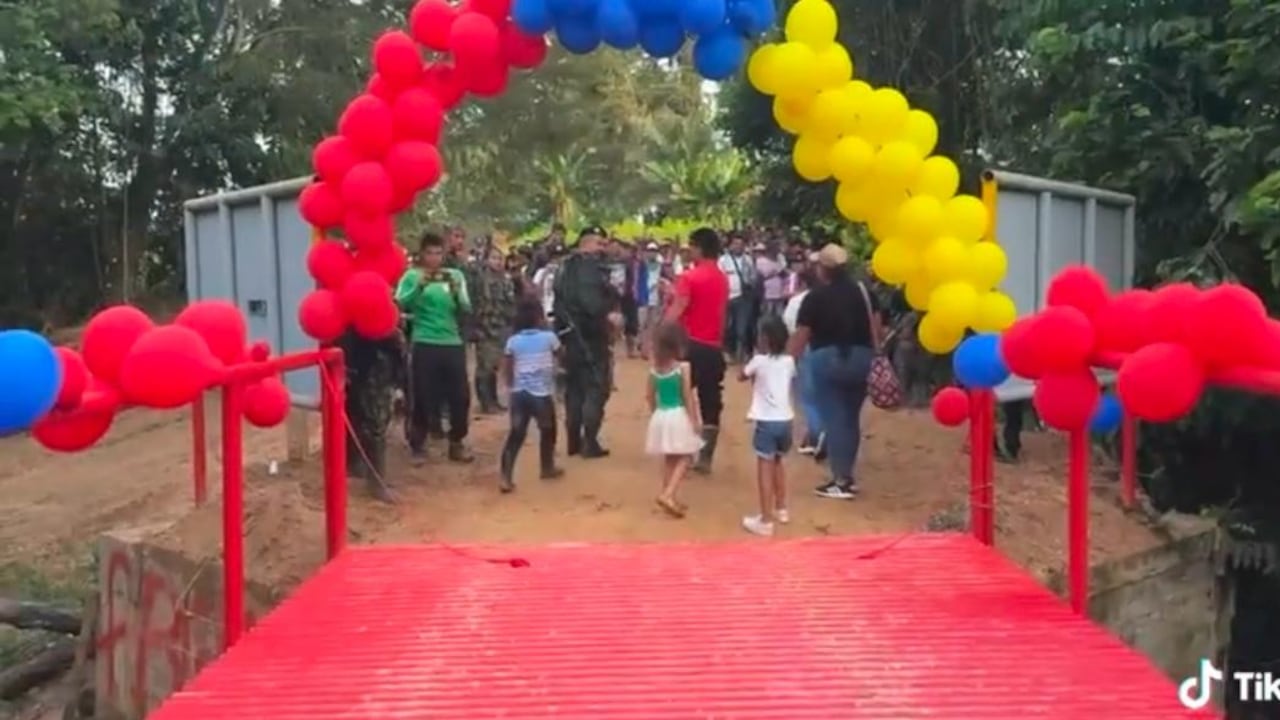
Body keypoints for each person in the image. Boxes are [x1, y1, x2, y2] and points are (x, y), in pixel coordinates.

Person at [788, 243, 882, 499]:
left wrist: (785, 362)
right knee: (850, 419)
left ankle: (842, 480)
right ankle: (846, 475)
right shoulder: (864, 292)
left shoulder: (816, 297)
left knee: (836, 419)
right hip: (862, 358)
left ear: (824, 269)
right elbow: (877, 328)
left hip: (827, 359)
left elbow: (802, 335)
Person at [395, 232, 474, 464]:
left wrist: (457, 291)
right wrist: (419, 287)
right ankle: (418, 445)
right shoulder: (411, 276)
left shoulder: (455, 275)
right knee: (422, 395)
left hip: (452, 342)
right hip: (424, 341)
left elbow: (466, 307)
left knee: (460, 396)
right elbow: (400, 303)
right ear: (422, 254)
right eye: (429, 253)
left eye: (438, 253)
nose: (434, 258)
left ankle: (457, 442)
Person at [665, 227, 729, 475]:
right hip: (712, 345)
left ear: (699, 248)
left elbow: (678, 308)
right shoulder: (722, 278)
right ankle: (706, 456)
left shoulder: (689, 278)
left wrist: (660, 334)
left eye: (691, 246)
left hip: (688, 344)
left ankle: (682, 451)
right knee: (711, 401)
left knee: (677, 398)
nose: (688, 251)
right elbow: (722, 314)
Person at [553, 225, 617, 458]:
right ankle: (589, 442)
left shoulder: (564, 267)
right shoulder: (589, 267)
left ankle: (573, 439)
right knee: (596, 389)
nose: (603, 249)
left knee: (575, 389)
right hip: (590, 337)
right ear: (587, 244)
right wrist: (608, 311)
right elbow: (592, 304)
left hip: (568, 337)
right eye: (599, 243)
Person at [498, 299, 565, 493]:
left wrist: (511, 386)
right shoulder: (549, 338)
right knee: (548, 430)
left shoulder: (513, 341)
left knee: (516, 435)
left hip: (519, 394)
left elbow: (508, 367)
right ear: (539, 318)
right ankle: (547, 466)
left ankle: (505, 477)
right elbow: (561, 355)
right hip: (541, 394)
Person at [739, 316, 795, 536]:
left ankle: (765, 519)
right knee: (779, 462)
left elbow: (741, 376)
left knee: (764, 467)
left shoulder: (758, 361)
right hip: (786, 420)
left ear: (764, 338)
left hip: (766, 421)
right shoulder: (789, 361)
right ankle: (781, 508)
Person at [645, 322, 704, 518]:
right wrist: (694, 420)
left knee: (670, 457)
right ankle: (668, 494)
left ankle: (668, 493)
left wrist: (656, 413)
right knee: (686, 455)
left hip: (661, 414)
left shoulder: (654, 370)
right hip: (678, 413)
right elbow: (687, 395)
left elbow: (649, 395)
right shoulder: (683, 367)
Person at [338, 328, 401, 504]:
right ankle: (376, 483)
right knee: (374, 425)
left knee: (357, 419)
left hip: (357, 364)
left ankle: (357, 467)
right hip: (370, 366)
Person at [783, 266, 823, 454]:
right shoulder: (828, 298)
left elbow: (790, 327)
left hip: (806, 347)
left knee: (808, 397)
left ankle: (816, 436)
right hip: (829, 348)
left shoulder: (797, 301)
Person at [472, 246, 516, 414]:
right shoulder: (480, 280)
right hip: (485, 328)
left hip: (501, 328)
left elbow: (510, 304)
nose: (497, 262)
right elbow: (475, 304)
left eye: (500, 258)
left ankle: (493, 400)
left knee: (495, 366)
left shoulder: (505, 280)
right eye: (494, 258)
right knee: (485, 367)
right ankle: (485, 402)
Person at [718, 232, 758, 363]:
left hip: (743, 298)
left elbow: (754, 277)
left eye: (740, 244)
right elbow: (719, 277)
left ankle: (745, 352)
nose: (738, 246)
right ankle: (729, 352)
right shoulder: (723, 260)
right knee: (727, 327)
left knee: (742, 328)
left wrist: (749, 283)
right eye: (735, 244)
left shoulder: (748, 260)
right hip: (726, 297)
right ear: (730, 245)